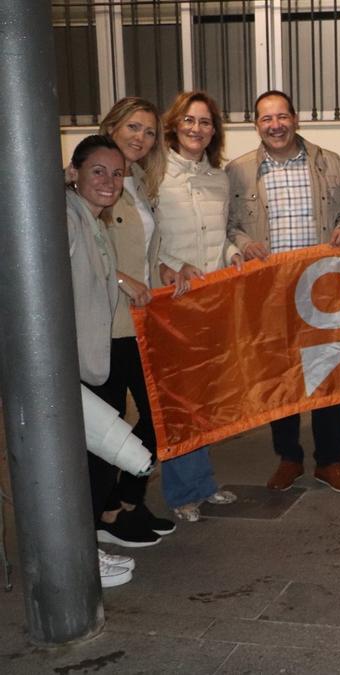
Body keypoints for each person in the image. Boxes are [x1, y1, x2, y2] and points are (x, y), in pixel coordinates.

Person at [226, 90, 340, 495]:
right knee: (279, 379)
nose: (276, 125)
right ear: (256, 125)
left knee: (326, 376)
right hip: (269, 293)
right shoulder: (238, 171)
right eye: (267, 119)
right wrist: (242, 242)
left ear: (296, 119)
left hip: (319, 289)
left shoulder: (327, 162)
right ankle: (289, 458)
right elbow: (228, 224)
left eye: (282, 116)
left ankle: (330, 461)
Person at [153, 90, 239, 521]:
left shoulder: (218, 179)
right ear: (174, 124)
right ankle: (181, 492)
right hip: (170, 302)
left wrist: (233, 256)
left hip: (210, 302)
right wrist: (170, 266)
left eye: (205, 122)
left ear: (213, 131)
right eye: (189, 120)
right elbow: (150, 239)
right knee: (177, 401)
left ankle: (202, 484)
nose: (196, 129)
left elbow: (218, 239)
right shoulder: (155, 174)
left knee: (201, 400)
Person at [93, 98, 176, 539]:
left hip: (140, 323)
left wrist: (165, 270)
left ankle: (129, 500)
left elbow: (144, 248)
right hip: (105, 323)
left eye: (148, 131)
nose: (140, 138)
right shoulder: (93, 181)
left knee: (157, 415)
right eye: (133, 127)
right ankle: (107, 515)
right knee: (108, 424)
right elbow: (86, 248)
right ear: (113, 126)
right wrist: (125, 280)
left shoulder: (140, 180)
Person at [66, 134, 141, 585]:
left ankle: (85, 548)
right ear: (73, 173)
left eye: (117, 173)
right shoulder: (66, 216)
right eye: (98, 170)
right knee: (76, 466)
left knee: (87, 461)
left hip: (86, 357)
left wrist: (119, 278)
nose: (109, 181)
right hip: (69, 362)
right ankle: (78, 559)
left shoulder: (90, 219)